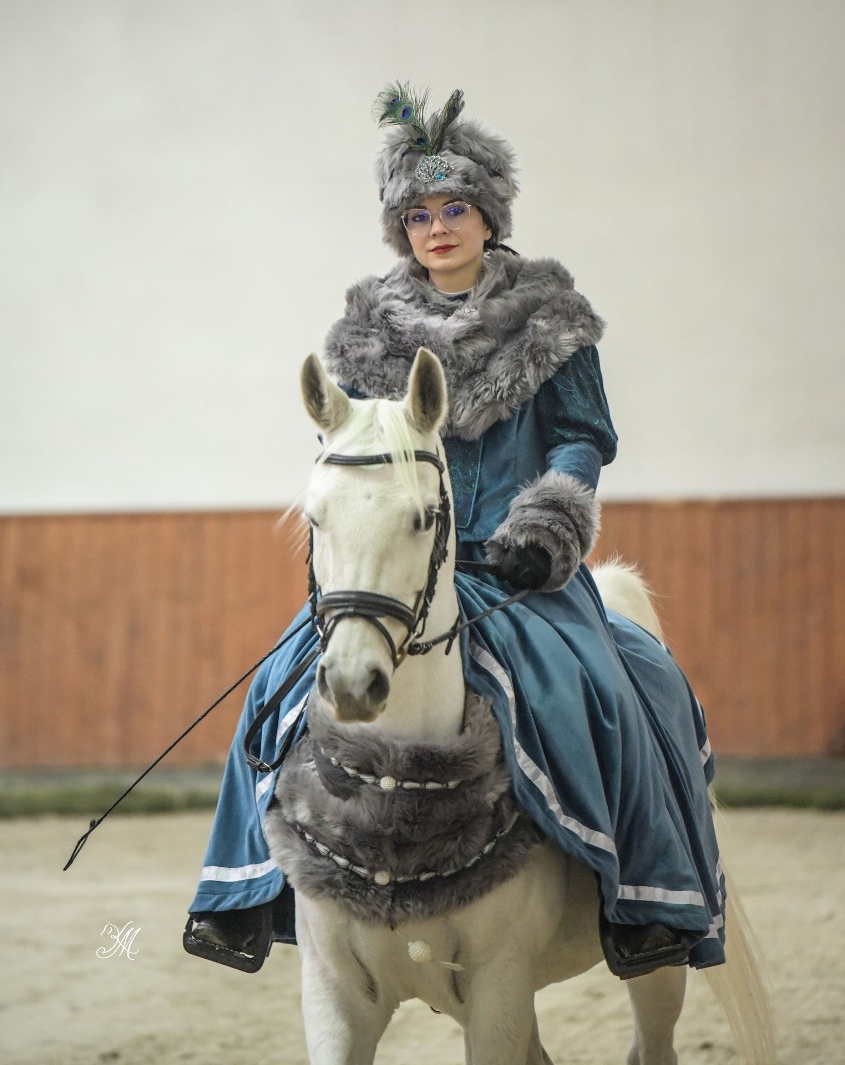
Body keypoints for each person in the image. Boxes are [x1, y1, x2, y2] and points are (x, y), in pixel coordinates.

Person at [184, 85, 726, 979]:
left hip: (520, 567)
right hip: (403, 571)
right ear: (401, 227)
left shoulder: (551, 319)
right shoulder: (363, 336)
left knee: (617, 690)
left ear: (487, 214)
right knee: (276, 692)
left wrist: (546, 522)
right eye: (419, 213)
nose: (438, 227)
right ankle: (244, 892)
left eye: (456, 208)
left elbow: (585, 436)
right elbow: (353, 449)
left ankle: (646, 902)